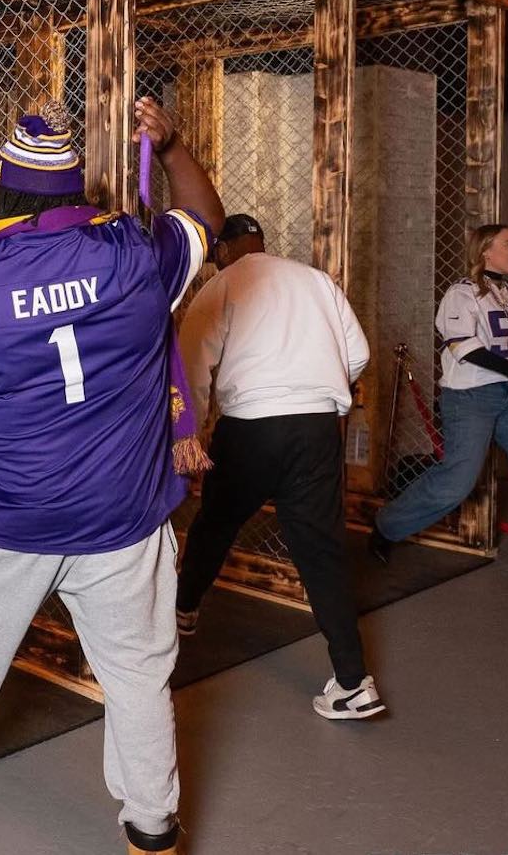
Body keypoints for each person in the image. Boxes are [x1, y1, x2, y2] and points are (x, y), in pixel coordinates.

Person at [0, 97, 223, 855]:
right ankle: (153, 831)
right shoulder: (133, 253)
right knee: (136, 676)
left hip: (14, 520)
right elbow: (205, 219)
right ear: (73, 196)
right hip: (125, 520)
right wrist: (171, 146)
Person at [176, 214, 385, 721]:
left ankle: (183, 610)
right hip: (317, 429)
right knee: (321, 552)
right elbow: (358, 354)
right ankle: (355, 683)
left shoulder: (224, 283)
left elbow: (192, 367)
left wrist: (191, 436)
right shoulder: (315, 280)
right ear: (262, 243)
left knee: (216, 523)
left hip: (251, 427)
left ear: (223, 251)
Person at [372, 225, 508, 573]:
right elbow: (465, 347)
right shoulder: (462, 293)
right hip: (471, 397)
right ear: (486, 251)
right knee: (456, 483)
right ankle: (386, 525)